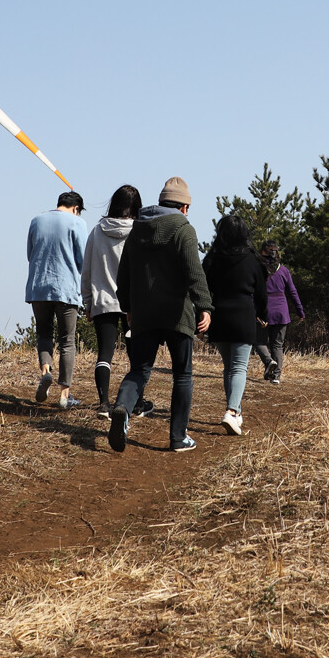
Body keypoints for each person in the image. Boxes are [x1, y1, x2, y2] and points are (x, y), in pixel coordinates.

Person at [109, 177, 213, 453]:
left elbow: (124, 274)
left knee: (139, 370)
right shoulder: (183, 228)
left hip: (144, 312)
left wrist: (128, 307)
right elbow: (195, 271)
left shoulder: (138, 228)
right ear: (183, 207)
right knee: (182, 375)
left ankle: (122, 408)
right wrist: (205, 306)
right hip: (177, 314)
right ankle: (178, 437)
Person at [81, 185, 145, 419]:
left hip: (103, 300)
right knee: (136, 355)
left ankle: (103, 404)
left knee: (104, 354)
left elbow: (86, 269)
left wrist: (88, 300)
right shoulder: (140, 231)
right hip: (133, 303)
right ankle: (136, 403)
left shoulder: (98, 231)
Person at [202, 215, 268, 436]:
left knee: (229, 367)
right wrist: (263, 314)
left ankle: (236, 413)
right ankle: (231, 412)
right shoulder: (252, 259)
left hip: (219, 315)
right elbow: (261, 292)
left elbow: (203, 285)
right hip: (243, 316)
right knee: (240, 367)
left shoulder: (213, 258)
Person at [26, 191, 88, 408]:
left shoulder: (36, 221)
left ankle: (45, 370)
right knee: (67, 341)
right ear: (76, 208)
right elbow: (82, 258)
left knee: (44, 333)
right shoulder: (77, 222)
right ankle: (64, 395)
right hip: (66, 288)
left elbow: (30, 254)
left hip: (38, 288)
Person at [255, 240, 304, 384]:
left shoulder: (258, 269)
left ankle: (269, 361)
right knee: (277, 345)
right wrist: (300, 311)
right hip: (282, 312)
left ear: (263, 251)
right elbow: (293, 292)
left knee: (259, 342)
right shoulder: (283, 271)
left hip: (263, 310)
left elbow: (252, 292)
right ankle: (276, 377)